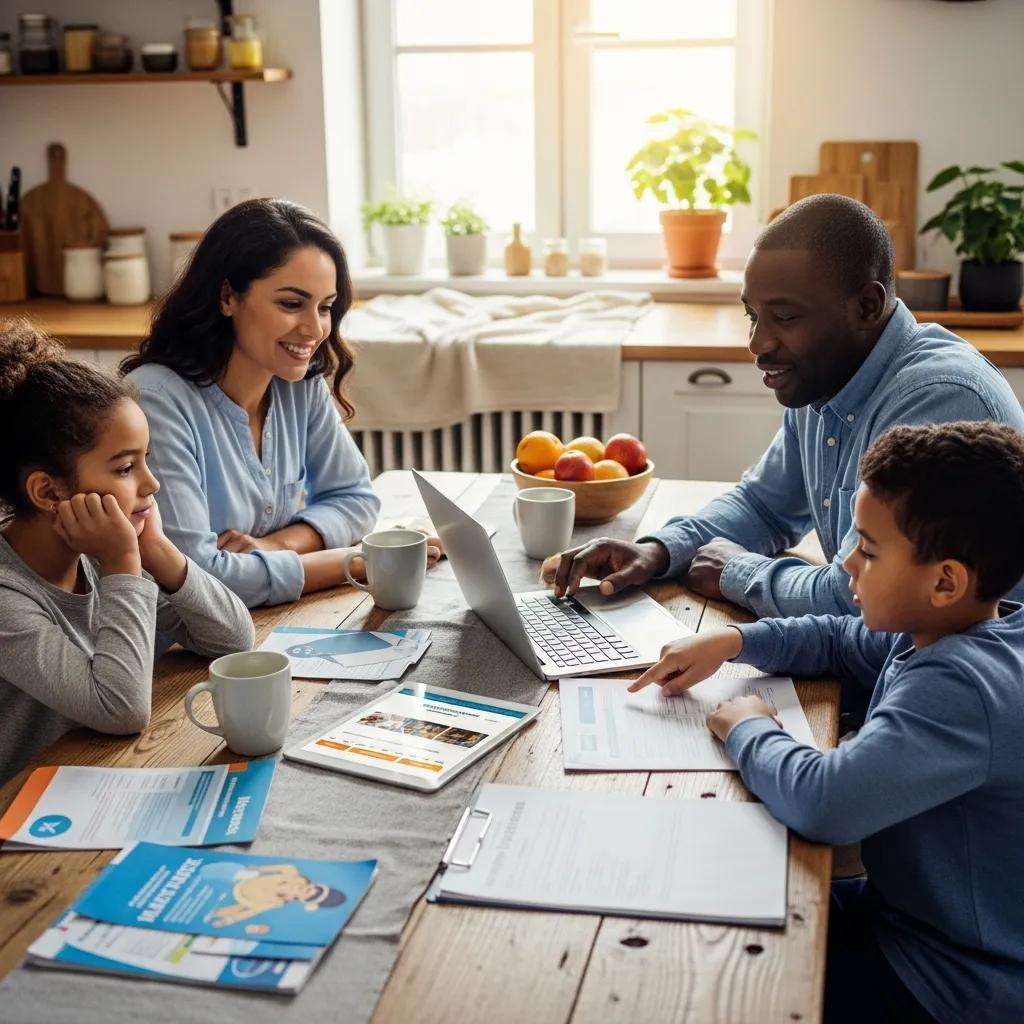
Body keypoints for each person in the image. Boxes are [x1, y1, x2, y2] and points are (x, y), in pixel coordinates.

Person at [630, 421, 1024, 1023]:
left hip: (951, 980)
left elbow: (826, 803)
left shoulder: (962, 690)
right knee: (712, 903)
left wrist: (750, 727)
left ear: (945, 581)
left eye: (868, 549)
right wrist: (735, 641)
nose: (844, 564)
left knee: (708, 982)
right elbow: (842, 637)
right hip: (911, 917)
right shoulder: (952, 627)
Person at [552, 195, 1024, 618]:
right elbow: (764, 506)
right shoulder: (825, 377)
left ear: (866, 306)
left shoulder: (939, 400)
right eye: (752, 316)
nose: (757, 343)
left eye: (784, 317)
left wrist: (738, 572)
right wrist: (657, 551)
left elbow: (857, 595)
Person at [122, 198, 440, 609]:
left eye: (325, 307)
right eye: (291, 304)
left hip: (265, 620)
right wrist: (360, 561)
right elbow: (198, 577)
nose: (314, 328)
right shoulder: (155, 402)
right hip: (175, 650)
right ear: (227, 297)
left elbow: (357, 499)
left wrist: (275, 546)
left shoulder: (299, 382)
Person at [0, 320, 255, 784]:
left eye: (146, 460)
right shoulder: (9, 597)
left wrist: (156, 548)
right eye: (124, 468)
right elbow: (119, 708)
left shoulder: (93, 556)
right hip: (20, 818)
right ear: (47, 491)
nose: (151, 484)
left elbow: (233, 639)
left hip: (91, 776)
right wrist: (122, 564)